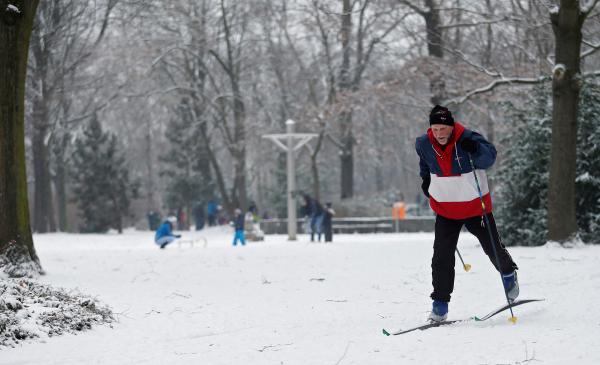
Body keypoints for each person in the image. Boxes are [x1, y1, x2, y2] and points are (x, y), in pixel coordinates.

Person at [415, 105, 519, 322]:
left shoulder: (468, 138)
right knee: (441, 256)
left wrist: (475, 149)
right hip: (446, 208)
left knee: (492, 247)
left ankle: (508, 272)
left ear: (451, 127)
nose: (440, 133)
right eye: (435, 129)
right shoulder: (423, 144)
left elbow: (489, 159)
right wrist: (426, 180)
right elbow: (425, 165)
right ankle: (440, 306)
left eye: (444, 128)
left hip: (475, 207)